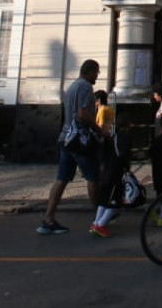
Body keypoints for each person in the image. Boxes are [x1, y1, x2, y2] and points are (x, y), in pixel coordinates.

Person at [38, 59, 108, 236]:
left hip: (66, 138)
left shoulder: (72, 87)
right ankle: (99, 220)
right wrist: (99, 130)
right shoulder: (85, 87)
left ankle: (48, 218)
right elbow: (83, 114)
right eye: (96, 73)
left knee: (61, 179)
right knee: (93, 177)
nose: (97, 77)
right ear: (90, 71)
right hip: (80, 141)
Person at [89, 89, 121, 237]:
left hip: (102, 141)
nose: (94, 104)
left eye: (95, 100)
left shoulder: (103, 110)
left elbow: (100, 127)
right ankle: (99, 222)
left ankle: (99, 222)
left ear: (99, 100)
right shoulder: (110, 109)